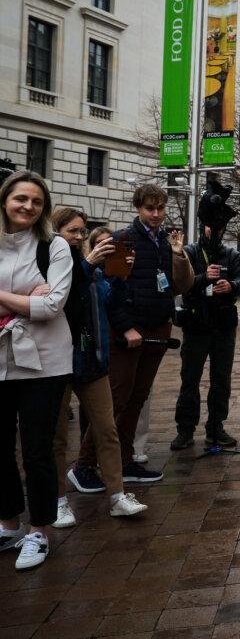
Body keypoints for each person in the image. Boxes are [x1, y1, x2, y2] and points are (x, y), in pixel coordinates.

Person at [85, 183, 191, 485]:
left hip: (157, 327)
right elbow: (111, 291)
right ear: (138, 208)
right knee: (117, 398)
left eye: (160, 208)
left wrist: (177, 254)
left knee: (138, 398)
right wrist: (125, 326)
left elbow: (174, 285)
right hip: (129, 331)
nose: (156, 214)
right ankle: (84, 464)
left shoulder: (164, 241)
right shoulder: (123, 240)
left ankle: (126, 460)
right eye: (149, 208)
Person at [48, 208, 147, 527]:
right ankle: (58, 501)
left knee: (107, 429)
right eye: (72, 231)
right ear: (55, 231)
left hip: (92, 359)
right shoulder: (53, 263)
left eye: (81, 231)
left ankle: (118, 496)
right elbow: (63, 297)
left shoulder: (94, 270)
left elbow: (108, 299)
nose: (78, 237)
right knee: (57, 436)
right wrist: (89, 264)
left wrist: (120, 277)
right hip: (59, 359)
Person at [0, 171, 74, 570]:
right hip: (0, 362)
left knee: (37, 450)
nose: (27, 206)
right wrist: (21, 298)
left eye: (36, 201)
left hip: (44, 364)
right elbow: (34, 304)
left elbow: (51, 307)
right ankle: (9, 522)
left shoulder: (55, 246)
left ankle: (40, 531)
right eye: (20, 199)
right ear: (5, 201)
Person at [171, 224, 240, 450]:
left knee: (221, 379)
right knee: (190, 378)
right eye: (210, 225)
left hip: (224, 325)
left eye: (219, 226)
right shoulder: (191, 252)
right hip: (196, 324)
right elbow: (182, 284)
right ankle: (185, 430)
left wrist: (231, 285)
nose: (214, 230)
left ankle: (216, 427)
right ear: (203, 226)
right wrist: (204, 277)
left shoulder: (231, 254)